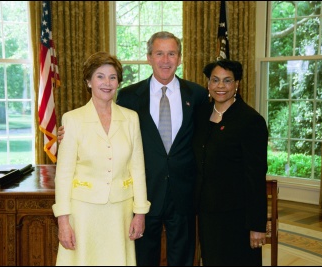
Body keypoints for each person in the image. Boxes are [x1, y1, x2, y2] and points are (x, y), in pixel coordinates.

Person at [58, 31, 208, 265]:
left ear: (180, 58)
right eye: (159, 53)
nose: (165, 60)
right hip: (143, 197)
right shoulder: (129, 97)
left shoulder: (197, 94)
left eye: (171, 54)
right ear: (149, 57)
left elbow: (204, 140)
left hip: (182, 195)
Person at [52, 51, 151, 266]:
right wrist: (63, 221)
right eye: (100, 76)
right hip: (83, 214)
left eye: (112, 77)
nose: (107, 83)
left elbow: (138, 168)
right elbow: (64, 175)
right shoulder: (72, 120)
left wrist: (140, 212)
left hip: (120, 213)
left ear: (118, 82)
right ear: (88, 81)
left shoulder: (131, 118)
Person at [192, 59, 268, 266]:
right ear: (208, 84)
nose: (220, 86)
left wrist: (257, 225)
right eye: (215, 80)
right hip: (207, 213)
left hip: (238, 217)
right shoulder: (200, 115)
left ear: (237, 84)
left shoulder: (250, 121)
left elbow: (255, 176)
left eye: (227, 81)